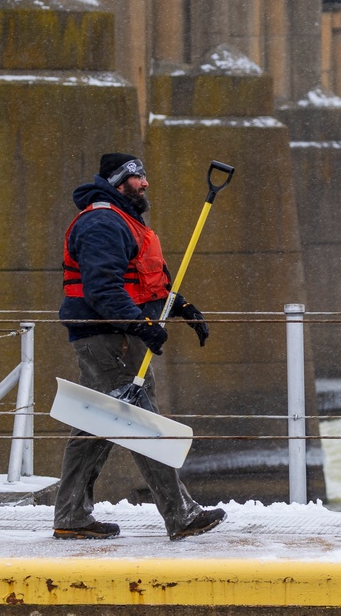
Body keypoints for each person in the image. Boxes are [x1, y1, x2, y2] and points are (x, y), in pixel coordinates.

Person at [53, 152, 226, 540]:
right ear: (117, 182)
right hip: (108, 339)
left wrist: (179, 305)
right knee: (138, 421)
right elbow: (102, 290)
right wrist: (142, 326)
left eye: (144, 175)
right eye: (135, 177)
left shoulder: (124, 221)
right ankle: (179, 514)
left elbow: (145, 282)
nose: (145, 183)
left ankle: (71, 514)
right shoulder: (101, 222)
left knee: (95, 422)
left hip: (114, 337)